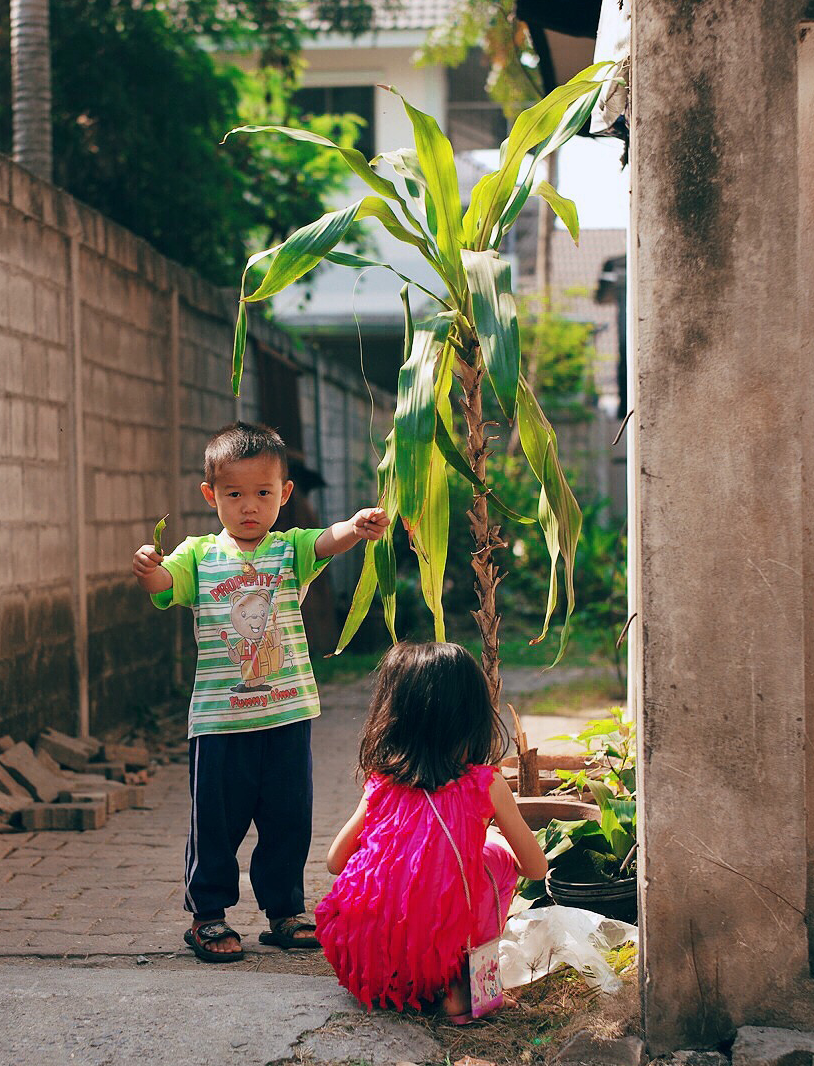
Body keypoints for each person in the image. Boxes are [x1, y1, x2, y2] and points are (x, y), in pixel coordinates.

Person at [133, 421, 389, 963]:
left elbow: (329, 539)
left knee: (288, 819)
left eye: (263, 494)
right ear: (211, 495)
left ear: (284, 494)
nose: (250, 506)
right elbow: (163, 588)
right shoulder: (198, 556)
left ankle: (285, 911)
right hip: (220, 725)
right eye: (234, 494)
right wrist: (149, 568)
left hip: (287, 717)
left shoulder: (289, 551)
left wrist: (355, 525)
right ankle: (208, 916)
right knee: (216, 823)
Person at [315, 641, 549, 1020]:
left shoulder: (383, 783)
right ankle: (470, 989)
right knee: (496, 857)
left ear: (395, 718)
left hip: (366, 967)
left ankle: (418, 979)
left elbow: (334, 862)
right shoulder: (485, 784)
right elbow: (536, 868)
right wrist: (486, 838)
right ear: (471, 715)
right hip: (428, 963)